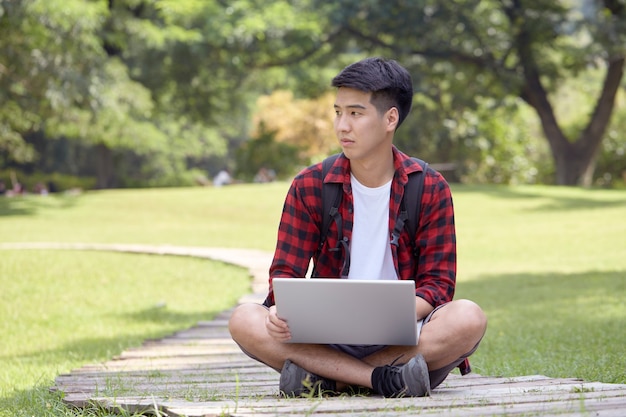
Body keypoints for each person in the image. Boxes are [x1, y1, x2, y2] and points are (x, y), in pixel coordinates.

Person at [228, 57, 487, 398]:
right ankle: (382, 381)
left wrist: (385, 317)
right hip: (325, 338)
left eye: (355, 113)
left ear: (390, 118)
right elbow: (285, 275)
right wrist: (279, 310)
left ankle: (326, 381)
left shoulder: (428, 186)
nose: (341, 126)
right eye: (338, 112)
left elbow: (438, 286)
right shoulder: (311, 185)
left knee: (468, 317)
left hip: (403, 338)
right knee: (244, 319)